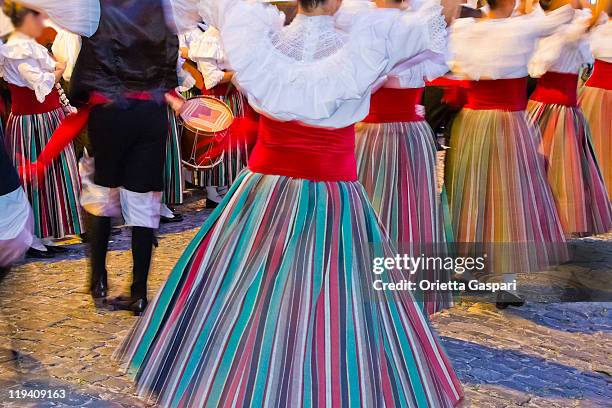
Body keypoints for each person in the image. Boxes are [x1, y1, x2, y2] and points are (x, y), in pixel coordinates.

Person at [117, 0, 464, 406]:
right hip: (330, 194)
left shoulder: (258, 40)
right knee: (335, 296)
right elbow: (439, 19)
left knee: (245, 290)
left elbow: (193, 7)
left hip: (262, 191)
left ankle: (240, 383)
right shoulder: (368, 42)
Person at [446, 0, 573, 308]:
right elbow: (565, 15)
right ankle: (504, 281)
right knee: (510, 197)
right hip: (508, 122)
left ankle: (465, 268)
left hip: (472, 120)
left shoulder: (466, 30)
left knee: (470, 190)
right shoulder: (521, 27)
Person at [352, 0, 453, 315]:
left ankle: (365, 291)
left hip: (372, 132)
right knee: (411, 213)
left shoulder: (359, 23)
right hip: (407, 133)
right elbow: (439, 52)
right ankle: (406, 296)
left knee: (371, 210)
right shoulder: (417, 25)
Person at [0, 1, 83, 258]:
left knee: (52, 179)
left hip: (47, 118)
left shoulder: (26, 45)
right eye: (37, 16)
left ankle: (45, 232)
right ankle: (31, 237)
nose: (42, 21)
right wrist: (58, 69)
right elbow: (40, 86)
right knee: (35, 181)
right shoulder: (16, 49)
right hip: (32, 122)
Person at [527, 0, 612, 236]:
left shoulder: (568, 30)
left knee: (563, 169)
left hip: (566, 108)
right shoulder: (559, 31)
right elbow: (538, 68)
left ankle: (554, 219)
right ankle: (541, 216)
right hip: (549, 107)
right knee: (547, 165)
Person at [179, 23, 257, 207]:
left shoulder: (233, 34)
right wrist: (237, 73)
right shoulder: (209, 40)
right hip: (218, 98)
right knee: (216, 148)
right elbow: (211, 78)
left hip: (234, 97)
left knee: (235, 147)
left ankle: (231, 186)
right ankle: (213, 193)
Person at [579, 3, 611, 200]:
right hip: (597, 91)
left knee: (597, 145)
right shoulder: (599, 28)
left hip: (594, 93)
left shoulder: (598, 28)